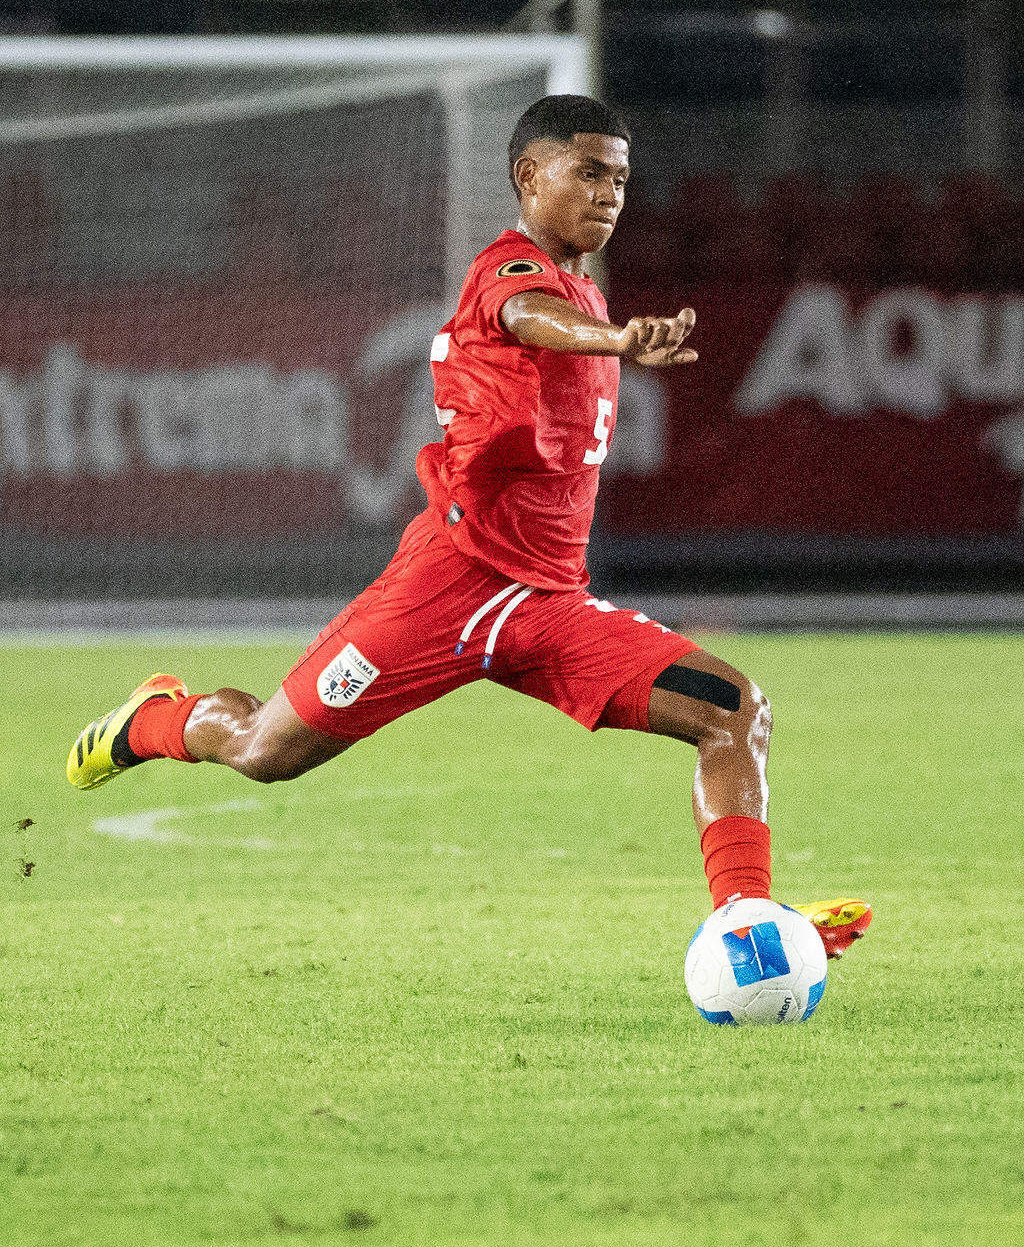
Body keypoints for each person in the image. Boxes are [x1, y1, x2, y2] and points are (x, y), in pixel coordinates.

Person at [67, 94, 870, 958]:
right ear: (530, 175)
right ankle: (155, 717)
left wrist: (608, 332)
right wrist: (615, 342)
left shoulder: (586, 295)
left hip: (552, 606)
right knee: (266, 750)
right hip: (450, 585)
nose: (610, 194)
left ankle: (749, 925)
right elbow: (531, 320)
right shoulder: (509, 272)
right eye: (589, 171)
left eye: (623, 180)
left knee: (734, 708)